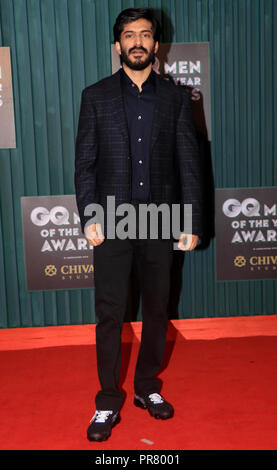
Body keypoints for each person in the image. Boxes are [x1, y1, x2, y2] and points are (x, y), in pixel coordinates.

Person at [75, 7, 203, 442]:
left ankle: (147, 388)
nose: (137, 42)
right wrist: (90, 213)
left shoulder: (174, 97)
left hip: (161, 219)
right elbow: (85, 163)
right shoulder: (96, 96)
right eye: (129, 35)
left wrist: (191, 218)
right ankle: (108, 401)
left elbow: (189, 162)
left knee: (157, 309)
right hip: (112, 220)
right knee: (110, 313)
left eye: (145, 35)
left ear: (155, 44)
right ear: (117, 45)